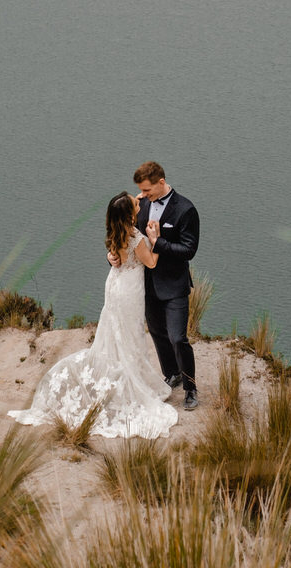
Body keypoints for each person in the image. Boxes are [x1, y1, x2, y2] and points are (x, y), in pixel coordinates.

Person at [7, 192, 178, 438]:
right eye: (136, 203)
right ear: (130, 215)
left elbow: (115, 257)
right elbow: (151, 263)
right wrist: (156, 238)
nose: (140, 201)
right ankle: (130, 381)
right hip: (130, 290)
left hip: (115, 286)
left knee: (115, 332)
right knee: (131, 335)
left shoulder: (114, 233)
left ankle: (119, 373)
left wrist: (114, 255)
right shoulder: (136, 237)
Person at [118, 161, 201, 410]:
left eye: (147, 190)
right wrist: (112, 256)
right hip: (146, 284)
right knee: (157, 333)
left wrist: (158, 241)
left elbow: (189, 250)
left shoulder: (185, 210)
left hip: (174, 285)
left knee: (178, 338)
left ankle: (190, 388)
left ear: (161, 182)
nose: (143, 195)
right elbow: (126, 235)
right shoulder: (140, 204)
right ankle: (171, 373)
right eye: (141, 191)